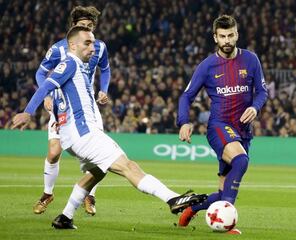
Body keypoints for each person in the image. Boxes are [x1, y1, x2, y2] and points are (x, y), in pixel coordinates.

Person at [12, 26, 207, 230]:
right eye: (87, 43)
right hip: (85, 134)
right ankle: (173, 200)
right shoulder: (69, 63)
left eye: (94, 43)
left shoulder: (79, 66)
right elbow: (45, 85)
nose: (93, 48)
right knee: (129, 167)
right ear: (72, 45)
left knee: (97, 172)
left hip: (74, 137)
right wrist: (28, 112)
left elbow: (103, 70)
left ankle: (65, 217)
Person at [176, 15, 268, 234]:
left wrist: (255, 107)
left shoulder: (251, 60)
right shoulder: (207, 66)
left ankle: (191, 207)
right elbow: (186, 96)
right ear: (215, 37)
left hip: (243, 131)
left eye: (230, 35)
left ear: (237, 34)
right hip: (219, 126)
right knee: (241, 160)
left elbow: (263, 91)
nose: (227, 40)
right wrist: (184, 122)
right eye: (222, 36)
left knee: (223, 189)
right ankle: (228, 223)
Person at [33, 6, 110, 216]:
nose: (87, 29)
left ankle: (90, 195)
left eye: (90, 26)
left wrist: (103, 89)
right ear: (73, 27)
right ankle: (47, 194)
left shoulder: (99, 47)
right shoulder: (58, 49)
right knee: (54, 151)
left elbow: (105, 69)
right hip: (61, 105)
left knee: (96, 154)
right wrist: (47, 96)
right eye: (83, 25)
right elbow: (40, 74)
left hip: (88, 108)